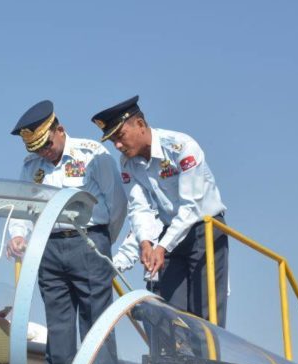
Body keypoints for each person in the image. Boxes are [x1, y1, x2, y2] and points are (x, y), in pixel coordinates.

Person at [8, 100, 126, 364]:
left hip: (88, 241)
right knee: (58, 324)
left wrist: (101, 242)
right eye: (36, 148)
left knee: (95, 319)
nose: (43, 152)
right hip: (48, 247)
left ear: (60, 130)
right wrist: (18, 235)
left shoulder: (92, 155)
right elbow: (23, 204)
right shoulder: (30, 168)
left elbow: (116, 204)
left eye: (46, 144)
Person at [91, 96, 229, 327]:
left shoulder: (181, 147)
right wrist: (146, 243)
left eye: (120, 136)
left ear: (140, 125)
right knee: (172, 314)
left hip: (205, 231)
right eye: (112, 140)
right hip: (169, 235)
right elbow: (139, 206)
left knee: (205, 313)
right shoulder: (127, 163)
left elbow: (191, 206)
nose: (117, 146)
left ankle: (209, 361)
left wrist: (162, 247)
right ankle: (179, 363)